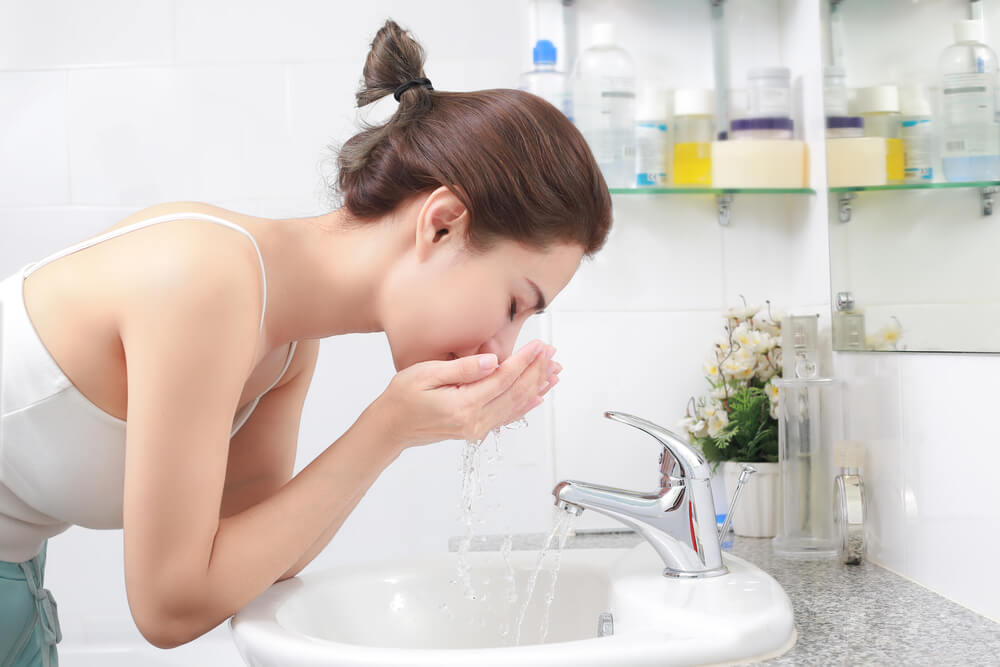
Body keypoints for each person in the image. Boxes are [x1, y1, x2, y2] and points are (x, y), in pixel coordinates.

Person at [0, 17, 611, 663]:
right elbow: (169, 605)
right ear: (442, 224)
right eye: (515, 303)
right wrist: (385, 429)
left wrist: (397, 430)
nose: (503, 348)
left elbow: (252, 567)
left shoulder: (287, 340)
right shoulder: (207, 283)